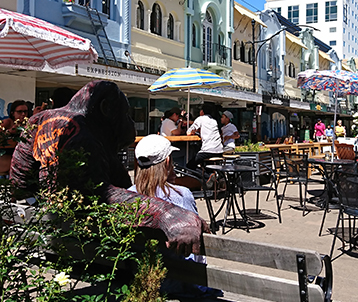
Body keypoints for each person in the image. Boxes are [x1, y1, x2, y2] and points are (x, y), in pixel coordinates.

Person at [10, 81, 208, 256]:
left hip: (44, 230)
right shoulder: (83, 133)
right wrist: (166, 214)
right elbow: (99, 195)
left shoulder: (40, 120)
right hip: (79, 245)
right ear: (105, 109)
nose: (129, 122)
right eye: (125, 114)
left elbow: (19, 180)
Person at [128, 135, 223, 299]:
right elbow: (195, 250)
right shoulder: (180, 195)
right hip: (178, 284)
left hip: (138, 280)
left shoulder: (127, 195)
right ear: (166, 162)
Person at [186, 104, 223, 169]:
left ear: (202, 111)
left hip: (208, 150)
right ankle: (208, 175)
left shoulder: (200, 119)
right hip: (219, 150)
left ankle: (203, 177)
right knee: (204, 163)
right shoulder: (214, 120)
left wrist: (193, 132)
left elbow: (189, 132)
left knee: (190, 165)